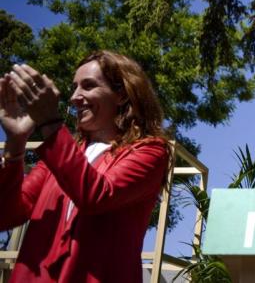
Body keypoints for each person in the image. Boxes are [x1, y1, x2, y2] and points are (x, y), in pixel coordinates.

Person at [0, 51, 170, 282]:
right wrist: (16, 142)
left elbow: (96, 196)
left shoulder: (150, 151)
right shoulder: (58, 157)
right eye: (74, 88)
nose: (74, 97)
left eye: (88, 86)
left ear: (121, 95)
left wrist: (50, 123)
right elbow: (7, 216)